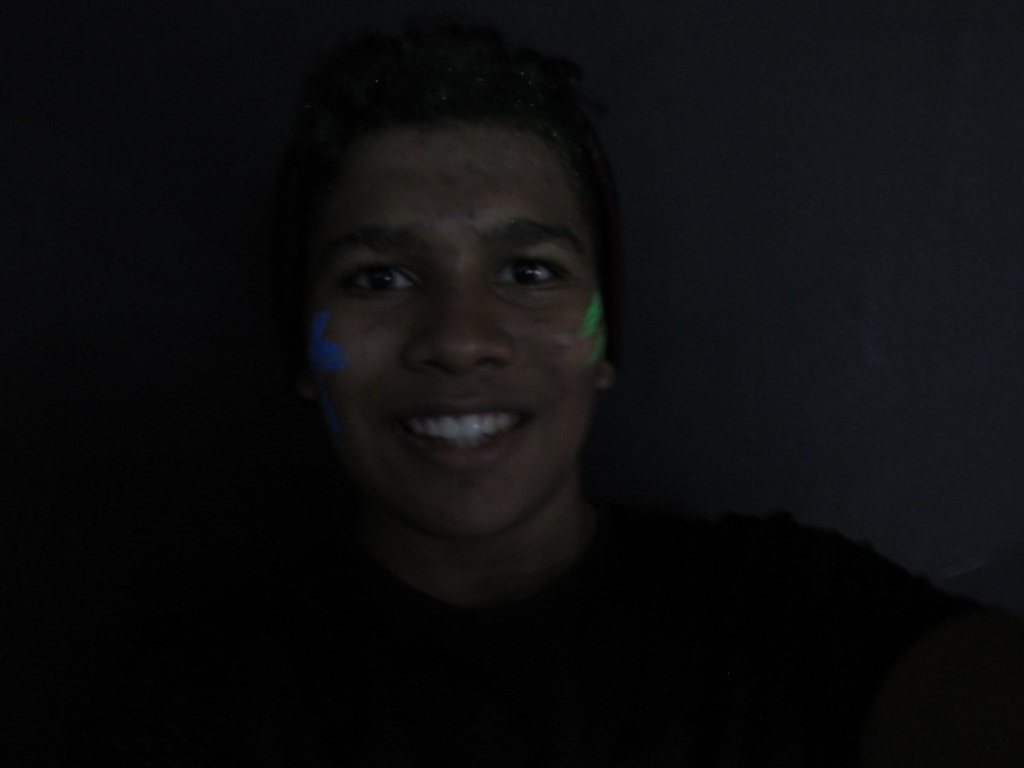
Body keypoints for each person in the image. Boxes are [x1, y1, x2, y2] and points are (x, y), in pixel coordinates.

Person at [62, 20, 1024, 768]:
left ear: (606, 341)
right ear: (305, 358)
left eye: (528, 272)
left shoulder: (782, 616)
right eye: (378, 278)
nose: (459, 339)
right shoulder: (204, 697)